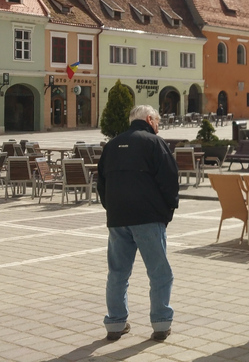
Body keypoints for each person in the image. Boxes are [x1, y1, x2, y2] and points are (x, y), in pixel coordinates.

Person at [97, 105, 179, 341]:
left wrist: (111, 209)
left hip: (118, 219)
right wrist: (166, 213)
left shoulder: (112, 145)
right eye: (158, 121)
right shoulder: (155, 143)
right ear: (150, 119)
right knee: (159, 272)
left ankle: (115, 323)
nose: (159, 126)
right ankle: (161, 323)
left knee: (118, 273)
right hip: (148, 218)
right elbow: (170, 181)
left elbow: (101, 182)